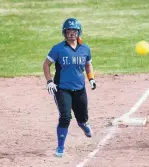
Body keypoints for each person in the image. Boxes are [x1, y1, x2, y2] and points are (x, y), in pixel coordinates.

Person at [43, 18, 96, 157]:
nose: (71, 34)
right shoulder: (58, 49)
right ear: (64, 33)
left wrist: (91, 79)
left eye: (74, 31)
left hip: (80, 89)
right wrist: (49, 81)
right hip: (62, 89)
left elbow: (88, 64)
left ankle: (84, 125)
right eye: (68, 31)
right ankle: (60, 147)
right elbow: (46, 64)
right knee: (65, 117)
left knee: (82, 118)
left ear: (79, 32)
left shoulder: (85, 49)